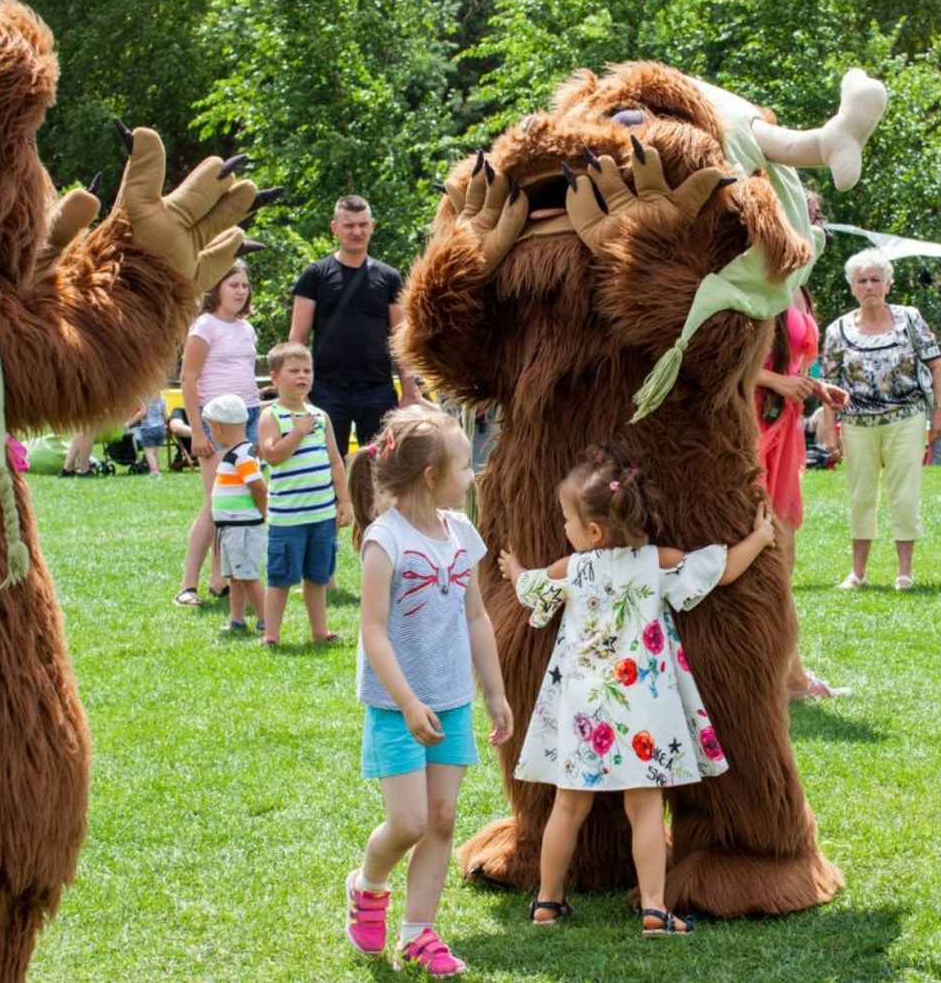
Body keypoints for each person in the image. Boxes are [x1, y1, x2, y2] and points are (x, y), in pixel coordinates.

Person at [497, 444, 775, 937]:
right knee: (645, 809)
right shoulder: (654, 562)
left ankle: (547, 900)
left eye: (567, 520)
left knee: (568, 805)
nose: (563, 528)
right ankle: (653, 908)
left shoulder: (574, 569)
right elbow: (722, 569)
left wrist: (513, 567)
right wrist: (761, 536)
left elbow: (531, 588)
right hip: (644, 706)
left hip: (584, 710)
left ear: (593, 532)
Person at [343, 406, 512, 976]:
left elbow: (476, 618)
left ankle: (418, 933)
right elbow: (372, 631)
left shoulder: (462, 533)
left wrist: (495, 693)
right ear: (431, 476)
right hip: (397, 707)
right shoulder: (384, 540)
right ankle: (368, 885)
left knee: (441, 818)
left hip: (451, 699)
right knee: (409, 822)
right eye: (465, 466)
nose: (473, 475)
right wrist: (408, 702)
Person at [819, 249, 941, 591]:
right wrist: (830, 432)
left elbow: (937, 366)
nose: (869, 287)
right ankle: (857, 573)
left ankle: (904, 572)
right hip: (857, 423)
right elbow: (828, 386)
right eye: (862, 281)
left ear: (888, 284)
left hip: (906, 418)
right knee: (861, 495)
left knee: (904, 494)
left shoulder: (910, 319)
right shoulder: (837, 330)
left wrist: (940, 412)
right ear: (852, 288)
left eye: (876, 280)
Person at [754, 285, 849, 699]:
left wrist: (813, 387)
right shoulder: (751, 275)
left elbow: (788, 359)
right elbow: (709, 358)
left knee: (783, 555)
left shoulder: (799, 284)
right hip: (751, 425)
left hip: (784, 424)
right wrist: (775, 381)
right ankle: (782, 675)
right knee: (761, 552)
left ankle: (789, 673)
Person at [289, 196, 423, 457]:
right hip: (326, 388)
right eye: (349, 225)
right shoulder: (315, 275)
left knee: (380, 465)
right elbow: (298, 338)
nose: (357, 232)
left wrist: (409, 392)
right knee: (327, 463)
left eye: (363, 225)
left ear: (372, 226)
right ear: (335, 228)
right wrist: (298, 393)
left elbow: (401, 339)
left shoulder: (389, 277)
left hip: (378, 389)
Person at [175, 262, 260, 607]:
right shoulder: (205, 326)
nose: (240, 291)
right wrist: (197, 431)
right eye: (233, 285)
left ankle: (219, 578)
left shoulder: (246, 328)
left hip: (248, 418)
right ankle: (187, 585)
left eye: (244, 285)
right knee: (214, 503)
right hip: (217, 423)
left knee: (236, 502)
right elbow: (188, 378)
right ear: (216, 288)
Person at [257, 342, 351, 647]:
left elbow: (335, 461)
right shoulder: (272, 416)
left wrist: (344, 501)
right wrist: (297, 433)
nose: (302, 376)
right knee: (281, 576)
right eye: (294, 371)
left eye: (307, 370)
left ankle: (319, 631)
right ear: (274, 378)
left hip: (321, 514)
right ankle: (271, 634)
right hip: (288, 517)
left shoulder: (320, 417)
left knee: (318, 576)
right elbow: (272, 456)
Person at [203, 394, 268, 635]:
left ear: (220, 427)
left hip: (243, 527)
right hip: (231, 528)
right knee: (235, 577)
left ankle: (266, 620)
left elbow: (258, 486)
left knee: (247, 576)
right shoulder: (235, 454)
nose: (211, 433)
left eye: (211, 427)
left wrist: (263, 511)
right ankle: (237, 619)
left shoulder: (242, 456)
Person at [127, 393, 167, 476]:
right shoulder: (161, 398)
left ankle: (154, 471)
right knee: (155, 453)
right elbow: (166, 416)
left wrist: (129, 423)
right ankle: (157, 469)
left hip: (148, 429)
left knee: (149, 453)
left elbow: (143, 412)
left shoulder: (144, 397)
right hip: (160, 428)